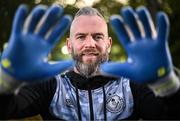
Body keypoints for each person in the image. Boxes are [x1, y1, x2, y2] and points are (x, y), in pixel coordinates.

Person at [0, 4, 180, 120]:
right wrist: (7, 79)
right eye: (81, 37)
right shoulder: (51, 83)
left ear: (108, 44)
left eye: (98, 36)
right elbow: (7, 109)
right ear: (70, 45)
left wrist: (167, 82)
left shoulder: (132, 83)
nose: (90, 44)